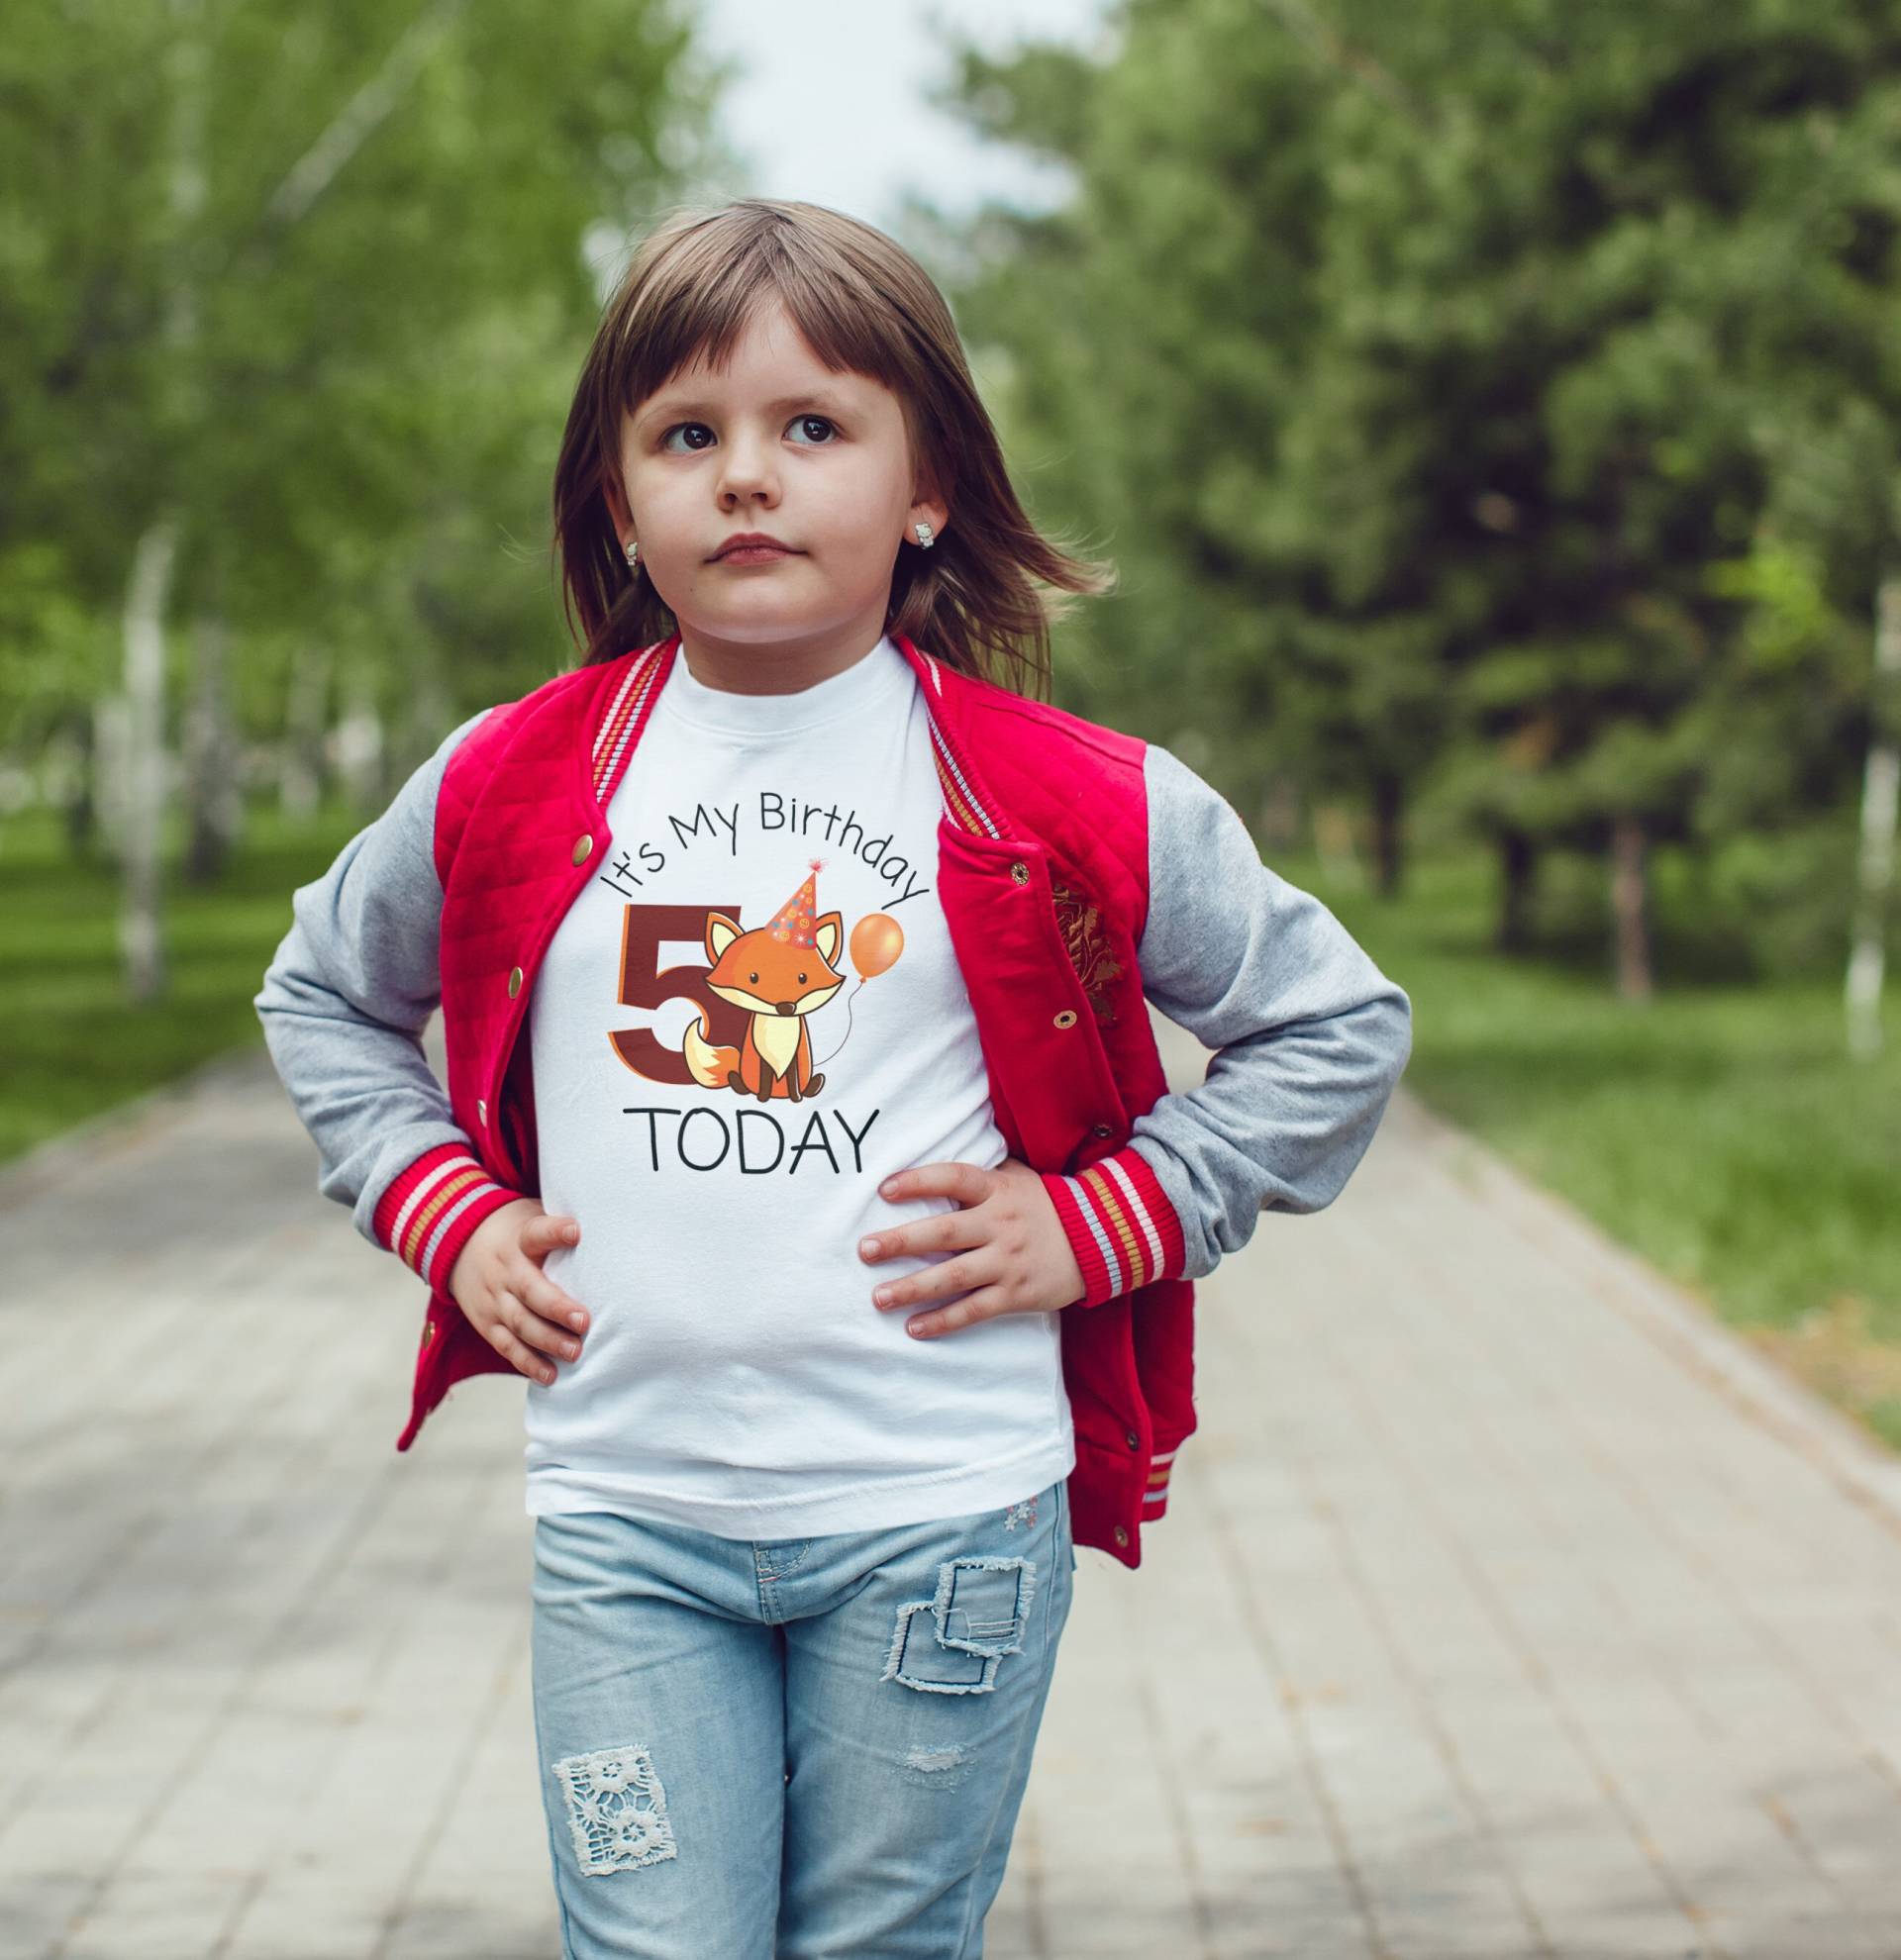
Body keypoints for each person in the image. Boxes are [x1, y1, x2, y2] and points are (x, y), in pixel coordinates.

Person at [254, 196, 1413, 1959]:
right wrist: (443, 1213)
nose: (745, 477)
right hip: (626, 1519)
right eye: (687, 436)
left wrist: (1102, 1218)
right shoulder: (511, 779)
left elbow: (1336, 1026)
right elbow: (325, 994)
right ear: (619, 498)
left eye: (813, 428)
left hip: (940, 1522)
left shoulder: (1061, 793)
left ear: (926, 481)